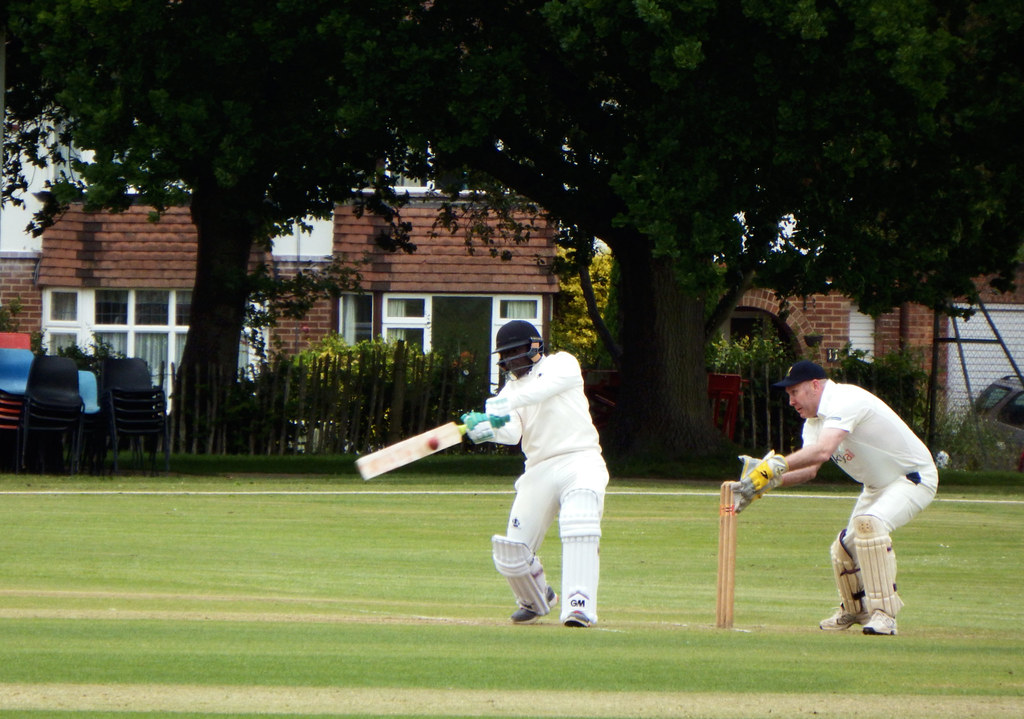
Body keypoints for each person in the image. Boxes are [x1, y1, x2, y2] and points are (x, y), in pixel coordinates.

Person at [733, 360, 938, 636]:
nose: (791, 401)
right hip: (876, 485)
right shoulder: (814, 422)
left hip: (912, 478)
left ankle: (884, 614)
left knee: (869, 524)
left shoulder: (845, 399)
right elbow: (809, 470)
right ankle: (854, 610)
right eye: (789, 394)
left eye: (795, 392)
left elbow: (822, 452)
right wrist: (761, 485)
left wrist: (772, 467)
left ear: (815, 385)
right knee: (844, 548)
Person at [460, 320, 609, 628]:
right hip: (538, 468)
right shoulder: (510, 390)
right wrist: (485, 429)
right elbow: (513, 433)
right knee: (511, 552)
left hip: (579, 459)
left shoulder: (562, 365)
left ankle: (579, 606)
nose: (512, 360)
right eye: (507, 355)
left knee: (579, 520)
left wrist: (496, 406)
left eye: (517, 352)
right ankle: (537, 598)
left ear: (535, 347)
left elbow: (537, 392)